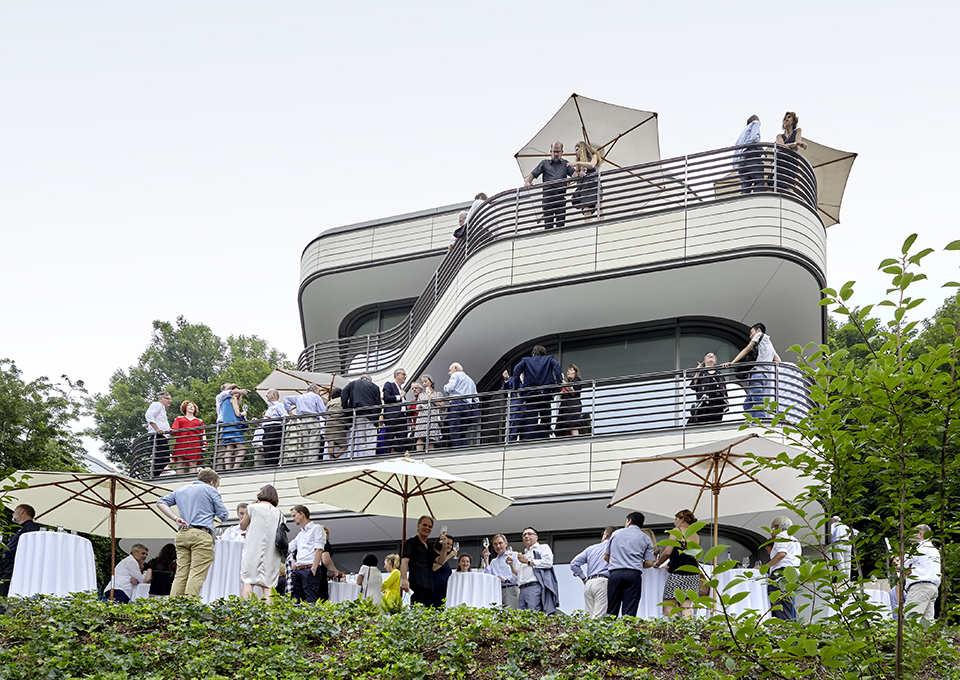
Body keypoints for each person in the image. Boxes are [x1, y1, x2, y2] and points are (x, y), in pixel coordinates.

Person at [156, 467, 229, 597]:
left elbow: (160, 502)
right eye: (217, 485)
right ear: (212, 482)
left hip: (182, 534)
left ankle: (174, 609)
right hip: (201, 535)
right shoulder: (210, 490)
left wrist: (175, 518)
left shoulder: (180, 490)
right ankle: (189, 609)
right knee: (196, 574)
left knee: (181, 574)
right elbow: (223, 515)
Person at [604, 511, 656, 617]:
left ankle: (609, 632)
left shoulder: (616, 534)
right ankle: (627, 632)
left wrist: (617, 563)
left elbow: (606, 556)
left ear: (629, 521)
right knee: (630, 611)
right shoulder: (646, 538)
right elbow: (650, 563)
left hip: (615, 573)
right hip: (633, 574)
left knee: (612, 609)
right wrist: (636, 564)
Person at [724, 323, 782, 417]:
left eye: (751, 333)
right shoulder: (770, 346)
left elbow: (746, 350)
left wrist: (732, 362)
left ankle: (760, 424)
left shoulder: (760, 335)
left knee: (758, 402)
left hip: (757, 374)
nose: (750, 336)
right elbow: (778, 361)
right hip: (764, 377)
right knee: (747, 405)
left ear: (758, 330)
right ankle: (754, 423)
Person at [239, 484, 284, 603]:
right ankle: (266, 616)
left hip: (252, 550)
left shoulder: (252, 508)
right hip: (272, 552)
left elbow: (243, 526)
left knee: (248, 580)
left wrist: (251, 507)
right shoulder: (280, 515)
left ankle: (246, 611)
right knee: (268, 585)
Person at [654, 510, 702, 618]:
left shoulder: (677, 531)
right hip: (693, 574)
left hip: (678, 574)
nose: (674, 523)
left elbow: (667, 552)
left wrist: (657, 564)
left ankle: (675, 631)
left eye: (676, 520)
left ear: (682, 520)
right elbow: (686, 555)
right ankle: (688, 630)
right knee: (685, 607)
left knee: (669, 606)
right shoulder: (696, 535)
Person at [513, 345, 563, 440]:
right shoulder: (549, 359)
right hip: (545, 394)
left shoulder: (526, 360)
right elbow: (557, 367)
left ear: (533, 354)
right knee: (546, 418)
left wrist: (515, 388)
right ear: (544, 353)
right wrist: (559, 383)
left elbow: (516, 370)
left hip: (530, 395)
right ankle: (543, 438)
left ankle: (533, 439)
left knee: (531, 420)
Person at [523, 141, 575, 230]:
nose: (556, 154)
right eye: (554, 151)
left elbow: (574, 175)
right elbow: (532, 174)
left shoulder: (566, 164)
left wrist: (580, 170)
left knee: (561, 225)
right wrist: (528, 182)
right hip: (548, 198)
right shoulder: (544, 163)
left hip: (560, 198)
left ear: (562, 152)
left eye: (558, 152)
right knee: (548, 225)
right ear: (551, 151)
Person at [507, 527, 559, 614]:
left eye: (529, 534)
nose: (526, 536)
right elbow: (517, 576)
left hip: (534, 587)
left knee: (534, 615)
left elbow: (548, 562)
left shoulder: (543, 548)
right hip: (522, 589)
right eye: (524, 535)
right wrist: (511, 564)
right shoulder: (524, 555)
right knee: (523, 617)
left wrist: (527, 561)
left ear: (536, 537)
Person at [895, 524, 941, 622]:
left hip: (920, 587)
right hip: (932, 588)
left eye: (913, 535)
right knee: (926, 622)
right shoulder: (934, 550)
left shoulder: (919, 548)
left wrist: (896, 562)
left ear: (920, 534)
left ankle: (909, 637)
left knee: (911, 618)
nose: (910, 538)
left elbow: (901, 564)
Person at [569, 526, 616, 617]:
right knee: (599, 616)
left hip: (589, 583)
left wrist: (583, 578)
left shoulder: (591, 548)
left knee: (589, 616)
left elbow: (574, 563)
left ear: (605, 536)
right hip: (603, 582)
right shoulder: (614, 548)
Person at [287, 505, 325, 603]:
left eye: (294, 515)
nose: (293, 519)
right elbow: (289, 548)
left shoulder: (317, 528)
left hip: (309, 568)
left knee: (310, 598)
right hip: (299, 569)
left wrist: (314, 567)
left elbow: (319, 549)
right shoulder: (300, 534)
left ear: (302, 514)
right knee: (297, 600)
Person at [766, 515, 801, 621]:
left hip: (781, 573)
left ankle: (785, 632)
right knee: (787, 605)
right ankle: (789, 631)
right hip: (793, 575)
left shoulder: (780, 536)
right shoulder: (795, 540)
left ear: (776, 527)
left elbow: (782, 554)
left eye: (772, 529)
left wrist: (765, 567)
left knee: (779, 605)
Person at [0, 504, 40, 597]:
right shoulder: (20, 528)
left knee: (6, 592)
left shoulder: (30, 527)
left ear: (22, 511)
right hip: (8, 566)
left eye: (15, 511)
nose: (13, 514)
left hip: (14, 566)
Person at [401, 515, 440, 606]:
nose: (427, 528)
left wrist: (445, 547)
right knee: (418, 614)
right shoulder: (412, 542)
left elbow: (440, 561)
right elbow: (404, 561)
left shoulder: (429, 547)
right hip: (417, 584)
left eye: (430, 526)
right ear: (418, 527)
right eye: (425, 525)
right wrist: (404, 579)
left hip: (429, 586)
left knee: (429, 614)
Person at [283, 383, 327, 462]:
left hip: (302, 422)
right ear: (314, 389)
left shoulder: (299, 397)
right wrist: (328, 419)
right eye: (319, 391)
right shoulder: (316, 397)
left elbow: (285, 399)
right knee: (313, 446)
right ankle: (312, 465)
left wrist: (290, 412)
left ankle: (305, 464)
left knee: (306, 447)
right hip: (313, 421)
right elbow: (323, 412)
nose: (320, 393)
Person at [341, 375, 382, 458]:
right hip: (371, 415)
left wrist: (347, 408)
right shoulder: (374, 386)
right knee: (371, 439)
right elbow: (379, 404)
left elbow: (344, 393)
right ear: (370, 380)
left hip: (358, 414)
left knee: (362, 440)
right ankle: (369, 459)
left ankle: (364, 458)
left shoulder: (353, 384)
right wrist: (377, 415)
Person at [687, 352, 729, 425]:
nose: (711, 357)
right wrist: (697, 372)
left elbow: (723, 389)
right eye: (708, 356)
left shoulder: (719, 373)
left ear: (715, 361)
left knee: (716, 423)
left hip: (717, 403)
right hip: (704, 404)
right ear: (704, 360)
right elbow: (693, 385)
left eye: (713, 356)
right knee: (703, 423)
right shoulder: (701, 373)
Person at [444, 363, 479, 447]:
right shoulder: (470, 380)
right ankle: (464, 449)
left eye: (450, 370)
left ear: (455, 368)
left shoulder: (456, 375)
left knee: (454, 430)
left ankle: (457, 450)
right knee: (462, 432)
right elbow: (476, 398)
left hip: (456, 404)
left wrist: (445, 388)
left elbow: (449, 388)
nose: (449, 373)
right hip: (467, 406)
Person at [482, 533, 519, 609]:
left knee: (511, 615)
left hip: (510, 589)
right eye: (495, 544)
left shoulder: (514, 555)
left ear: (506, 544)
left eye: (500, 543)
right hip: (496, 591)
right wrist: (486, 560)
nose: (498, 546)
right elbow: (489, 577)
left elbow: (518, 573)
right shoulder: (493, 561)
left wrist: (505, 580)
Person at [775, 111, 807, 195]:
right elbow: (781, 146)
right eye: (784, 119)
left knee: (789, 187)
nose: (786, 119)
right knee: (778, 187)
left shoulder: (797, 131)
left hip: (791, 164)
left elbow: (796, 147)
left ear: (794, 121)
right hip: (781, 164)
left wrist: (794, 145)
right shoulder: (779, 136)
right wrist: (795, 144)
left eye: (789, 117)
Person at [171, 400, 206, 474]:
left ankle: (192, 479)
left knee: (193, 463)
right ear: (185, 408)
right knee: (180, 462)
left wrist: (204, 444)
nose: (191, 407)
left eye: (193, 406)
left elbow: (203, 433)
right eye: (189, 406)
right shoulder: (179, 419)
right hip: (181, 442)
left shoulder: (199, 421)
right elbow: (174, 430)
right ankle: (179, 479)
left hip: (194, 442)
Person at [735, 115, 766, 194]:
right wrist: (760, 149)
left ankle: (744, 203)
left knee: (745, 187)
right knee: (759, 180)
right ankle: (757, 200)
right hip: (751, 156)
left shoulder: (742, 135)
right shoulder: (755, 123)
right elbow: (754, 138)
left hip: (741, 161)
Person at [570, 141, 601, 220]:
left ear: (582, 148)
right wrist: (580, 175)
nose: (576, 152)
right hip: (585, 187)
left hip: (594, 183)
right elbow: (578, 183)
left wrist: (578, 163)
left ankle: (602, 225)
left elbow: (592, 165)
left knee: (598, 205)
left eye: (577, 150)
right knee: (586, 209)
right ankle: (588, 226)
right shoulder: (580, 166)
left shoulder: (594, 156)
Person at [145, 391, 173, 477]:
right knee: (164, 458)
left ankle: (153, 474)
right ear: (161, 398)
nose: (170, 401)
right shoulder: (157, 405)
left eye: (171, 399)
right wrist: (157, 429)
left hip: (161, 437)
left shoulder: (162, 409)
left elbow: (161, 422)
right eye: (167, 398)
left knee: (161, 458)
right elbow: (148, 415)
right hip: (158, 436)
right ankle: (154, 475)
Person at [413, 375, 443, 450]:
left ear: (431, 382)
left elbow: (443, 407)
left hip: (432, 418)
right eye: (423, 382)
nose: (424, 384)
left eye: (426, 381)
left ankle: (429, 456)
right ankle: (419, 456)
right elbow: (417, 409)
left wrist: (434, 401)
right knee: (420, 438)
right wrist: (418, 407)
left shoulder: (438, 394)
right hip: (422, 418)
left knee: (431, 439)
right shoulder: (421, 395)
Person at [382, 369, 409, 454]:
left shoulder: (402, 389)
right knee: (389, 439)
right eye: (403, 374)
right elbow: (386, 398)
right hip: (392, 417)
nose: (405, 376)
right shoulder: (389, 385)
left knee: (403, 441)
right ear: (397, 375)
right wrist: (399, 397)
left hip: (402, 418)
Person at [219, 387, 246, 470]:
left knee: (229, 448)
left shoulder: (223, 401)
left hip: (226, 427)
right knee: (242, 449)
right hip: (234, 426)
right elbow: (237, 414)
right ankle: (235, 469)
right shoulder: (233, 399)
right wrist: (243, 413)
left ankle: (228, 469)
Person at [556, 364, 585, 436]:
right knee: (565, 427)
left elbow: (572, 390)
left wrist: (563, 381)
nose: (568, 372)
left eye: (571, 370)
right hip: (565, 406)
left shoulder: (577, 380)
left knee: (572, 425)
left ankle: (576, 442)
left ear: (575, 372)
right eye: (568, 370)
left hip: (572, 406)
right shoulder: (566, 383)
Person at [262, 389, 287, 466]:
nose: (266, 395)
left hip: (274, 430)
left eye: (268, 393)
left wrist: (273, 419)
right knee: (267, 452)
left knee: (273, 451)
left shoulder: (279, 405)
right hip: (267, 431)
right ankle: (269, 467)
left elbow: (286, 417)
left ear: (274, 395)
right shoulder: (269, 408)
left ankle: (272, 467)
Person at [323, 387, 349, 459]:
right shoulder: (343, 400)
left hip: (328, 423)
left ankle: (330, 458)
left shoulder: (329, 403)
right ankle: (335, 456)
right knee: (344, 446)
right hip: (338, 423)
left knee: (331, 443)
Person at [432, 534, 457, 607]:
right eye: (447, 543)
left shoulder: (446, 560)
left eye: (451, 545)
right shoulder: (435, 555)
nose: (449, 546)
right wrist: (449, 556)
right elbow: (434, 568)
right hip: (436, 587)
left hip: (444, 588)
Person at [501, 370, 524, 442]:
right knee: (512, 433)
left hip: (526, 410)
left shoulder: (529, 380)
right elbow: (505, 393)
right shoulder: (512, 379)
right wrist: (506, 380)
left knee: (525, 434)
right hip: (515, 410)